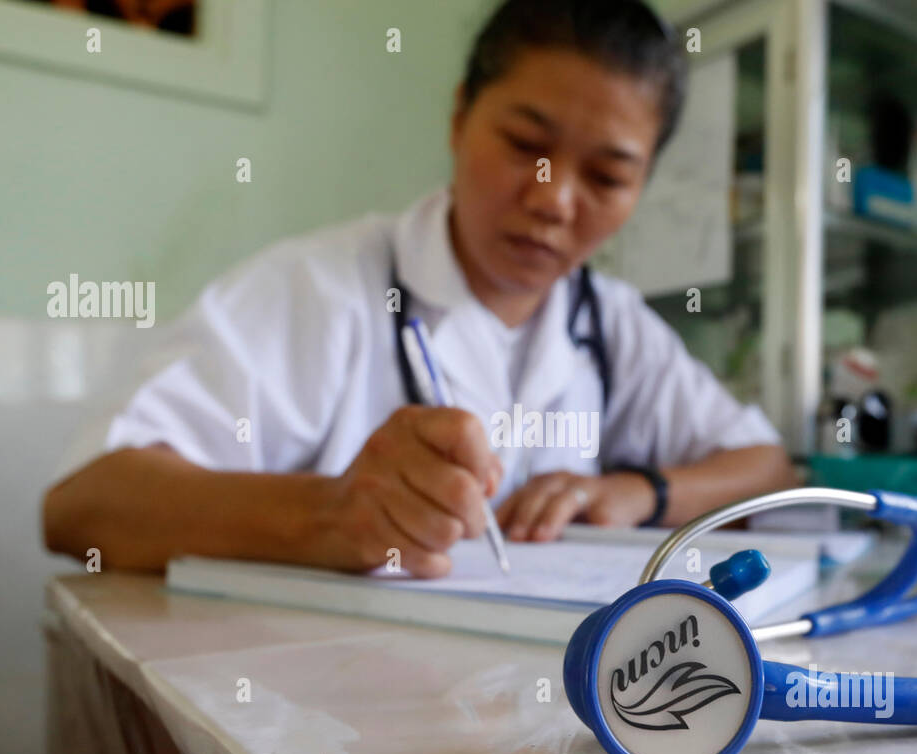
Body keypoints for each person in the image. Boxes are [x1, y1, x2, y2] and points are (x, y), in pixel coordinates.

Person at [43, 0, 799, 579]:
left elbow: (768, 468)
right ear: (460, 117)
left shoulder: (613, 324)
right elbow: (85, 507)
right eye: (526, 146)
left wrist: (645, 493)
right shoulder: (322, 289)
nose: (554, 200)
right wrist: (330, 515)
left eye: (606, 176)